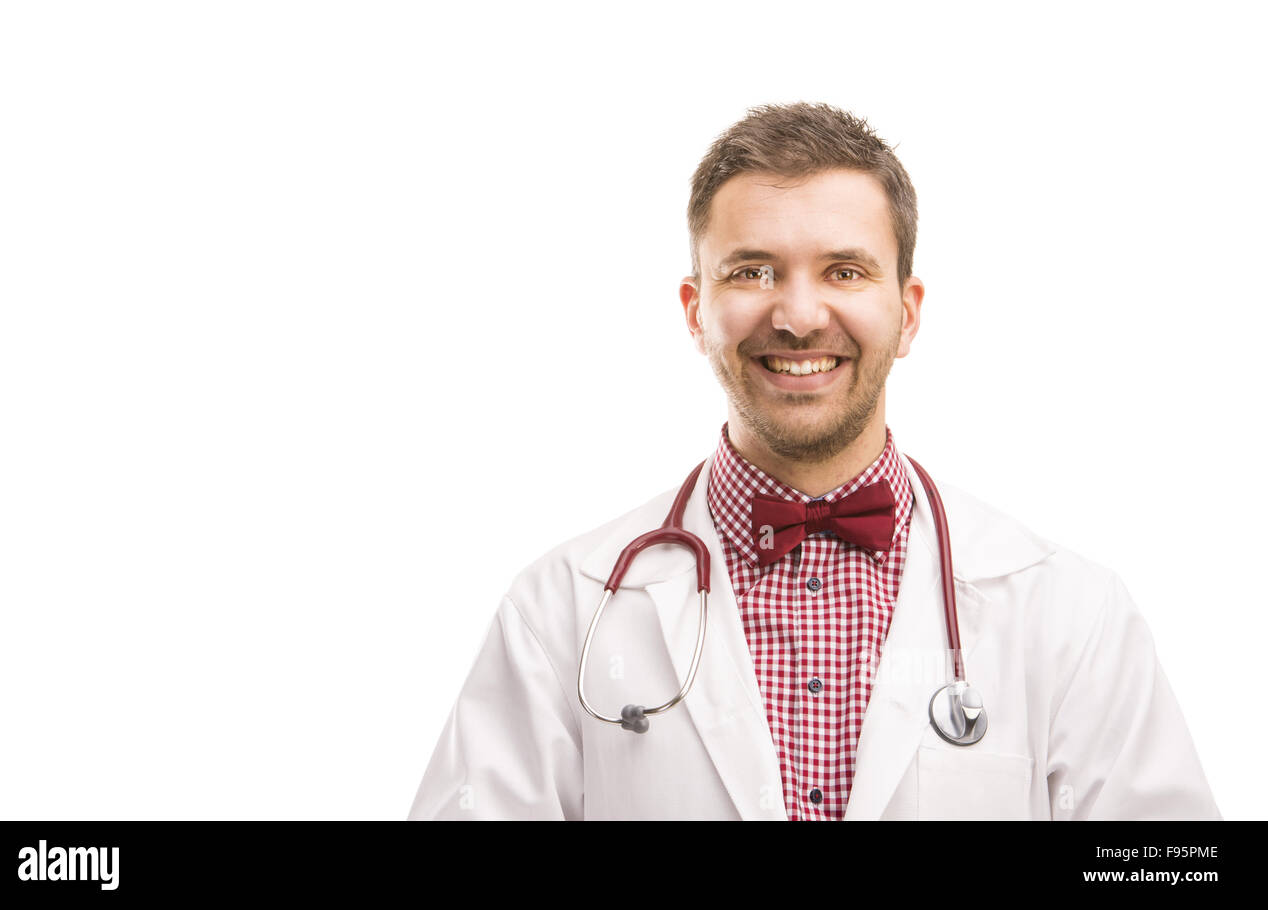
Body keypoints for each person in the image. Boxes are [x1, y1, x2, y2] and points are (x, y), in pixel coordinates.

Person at [407, 102, 1220, 820]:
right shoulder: (560, 612)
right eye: (752, 271)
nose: (798, 316)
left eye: (844, 271)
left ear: (907, 313)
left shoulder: (1069, 613)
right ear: (696, 311)